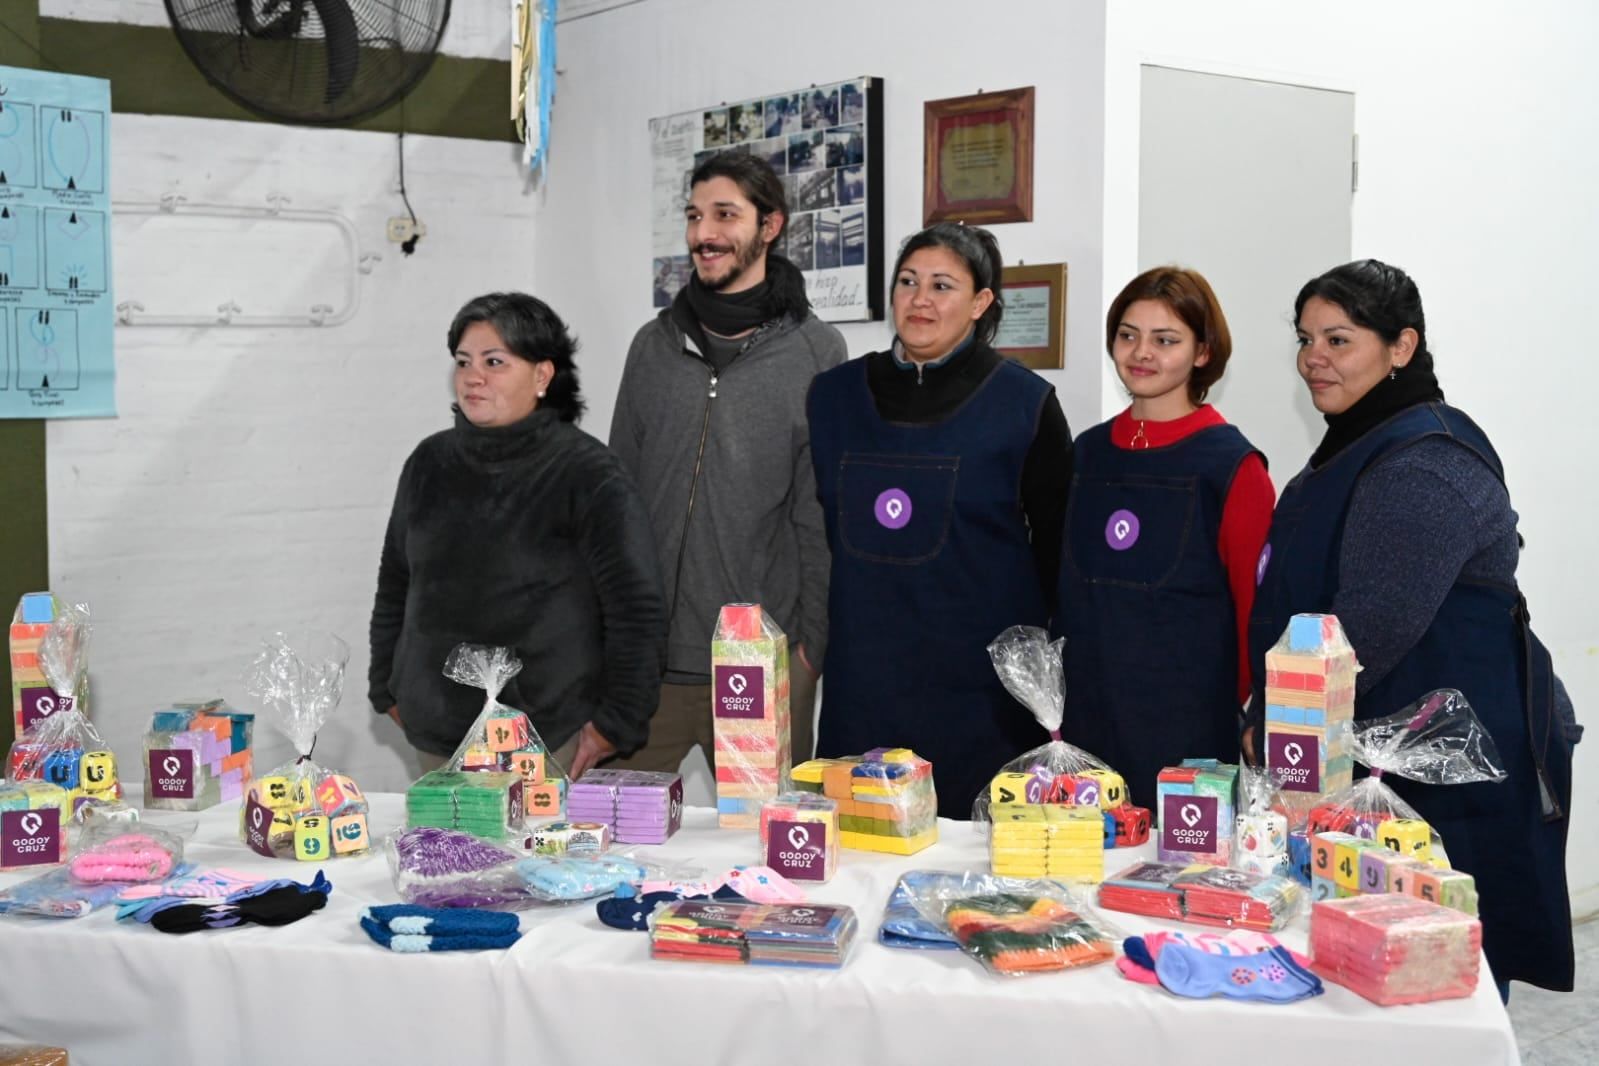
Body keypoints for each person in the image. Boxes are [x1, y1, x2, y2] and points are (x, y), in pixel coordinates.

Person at [1247, 259, 1580, 994]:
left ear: (1401, 346)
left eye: (1338, 340)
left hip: (1442, 766)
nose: (1313, 359)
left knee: (1434, 974)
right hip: (1381, 754)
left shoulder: (1421, 460)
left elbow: (1372, 625)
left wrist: (1274, 722)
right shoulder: (1359, 440)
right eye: (1305, 339)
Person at [808, 222, 1073, 818]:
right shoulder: (832, 398)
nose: (920, 299)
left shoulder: (1026, 406)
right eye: (908, 281)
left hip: (981, 693)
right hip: (864, 678)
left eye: (942, 285)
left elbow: (1059, 554)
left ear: (981, 303)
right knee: (859, 848)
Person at [608, 153, 846, 773]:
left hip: (758, 664)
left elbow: (819, 515)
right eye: (693, 216)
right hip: (646, 667)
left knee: (766, 853)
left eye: (724, 215)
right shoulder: (652, 346)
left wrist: (810, 652)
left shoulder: (817, 351)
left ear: (769, 227)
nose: (704, 234)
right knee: (611, 849)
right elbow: (616, 499)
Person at [369, 293, 666, 780]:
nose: (473, 376)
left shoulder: (588, 473)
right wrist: (387, 685)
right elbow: (396, 584)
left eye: (494, 362)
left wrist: (616, 722)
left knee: (527, 859)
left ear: (543, 375)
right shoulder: (429, 462)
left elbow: (637, 611)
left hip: (544, 736)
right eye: (463, 362)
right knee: (442, 855)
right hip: (435, 733)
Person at [1057, 267, 1274, 804]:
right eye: (1128, 335)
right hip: (1083, 725)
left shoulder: (1232, 466)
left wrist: (1252, 712)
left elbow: (1258, 612)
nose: (1141, 353)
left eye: (1165, 340)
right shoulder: (1084, 454)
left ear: (1203, 353)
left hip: (1186, 734)